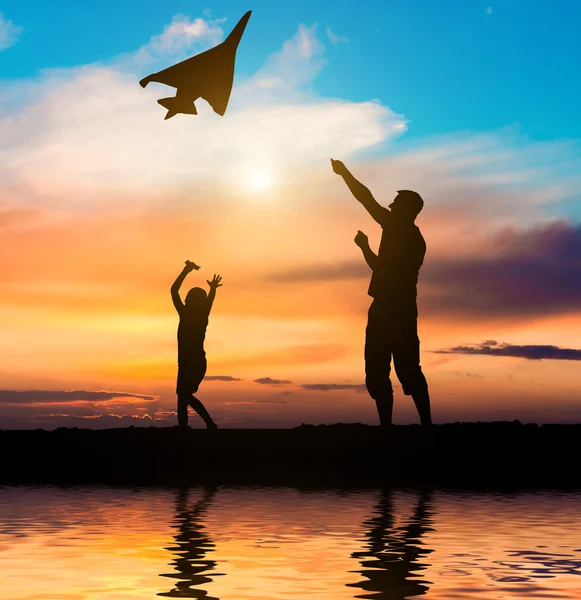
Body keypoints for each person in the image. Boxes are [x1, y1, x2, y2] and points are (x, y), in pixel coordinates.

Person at [331, 159, 432, 427]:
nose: (390, 206)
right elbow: (381, 268)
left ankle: (424, 425)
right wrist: (364, 247)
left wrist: (344, 174)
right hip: (385, 309)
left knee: (407, 370)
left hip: (396, 311)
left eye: (395, 204)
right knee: (378, 371)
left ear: (406, 211)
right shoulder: (401, 233)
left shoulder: (404, 233)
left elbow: (366, 199)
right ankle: (391, 427)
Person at [171, 260, 222, 429]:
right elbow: (209, 301)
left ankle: (206, 424)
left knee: (184, 396)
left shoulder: (187, 314)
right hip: (193, 362)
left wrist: (186, 270)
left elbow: (173, 291)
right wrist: (212, 289)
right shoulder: (201, 316)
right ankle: (187, 427)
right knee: (183, 397)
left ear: (189, 301)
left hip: (192, 363)